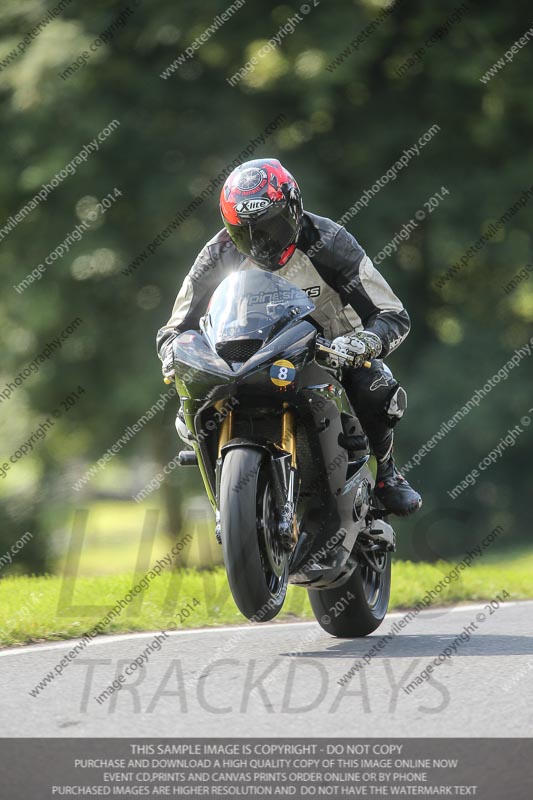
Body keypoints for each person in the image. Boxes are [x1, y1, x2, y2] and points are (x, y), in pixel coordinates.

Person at [156, 158, 421, 516]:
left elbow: (392, 313)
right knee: (190, 406)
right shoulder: (217, 254)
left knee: (374, 385)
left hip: (334, 351)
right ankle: (229, 502)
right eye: (244, 232)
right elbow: (175, 327)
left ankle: (388, 474)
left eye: (269, 227)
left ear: (293, 209)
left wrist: (365, 343)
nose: (259, 243)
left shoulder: (330, 242)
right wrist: (174, 351)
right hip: (251, 354)